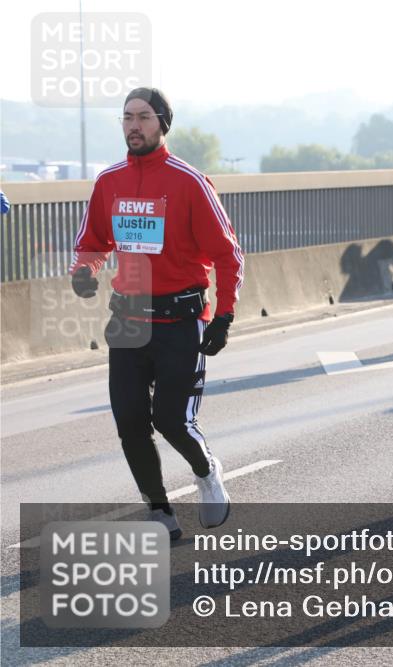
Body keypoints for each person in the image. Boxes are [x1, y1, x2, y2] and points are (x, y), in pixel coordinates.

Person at [69, 87, 242, 539]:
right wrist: (85, 270)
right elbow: (93, 242)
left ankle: (206, 472)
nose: (133, 126)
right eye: (126, 117)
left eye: (143, 117)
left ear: (163, 122)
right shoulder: (109, 181)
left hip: (180, 321)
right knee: (130, 423)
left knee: (170, 420)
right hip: (128, 318)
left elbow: (228, 255)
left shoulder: (188, 181)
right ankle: (160, 511)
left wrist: (222, 316)